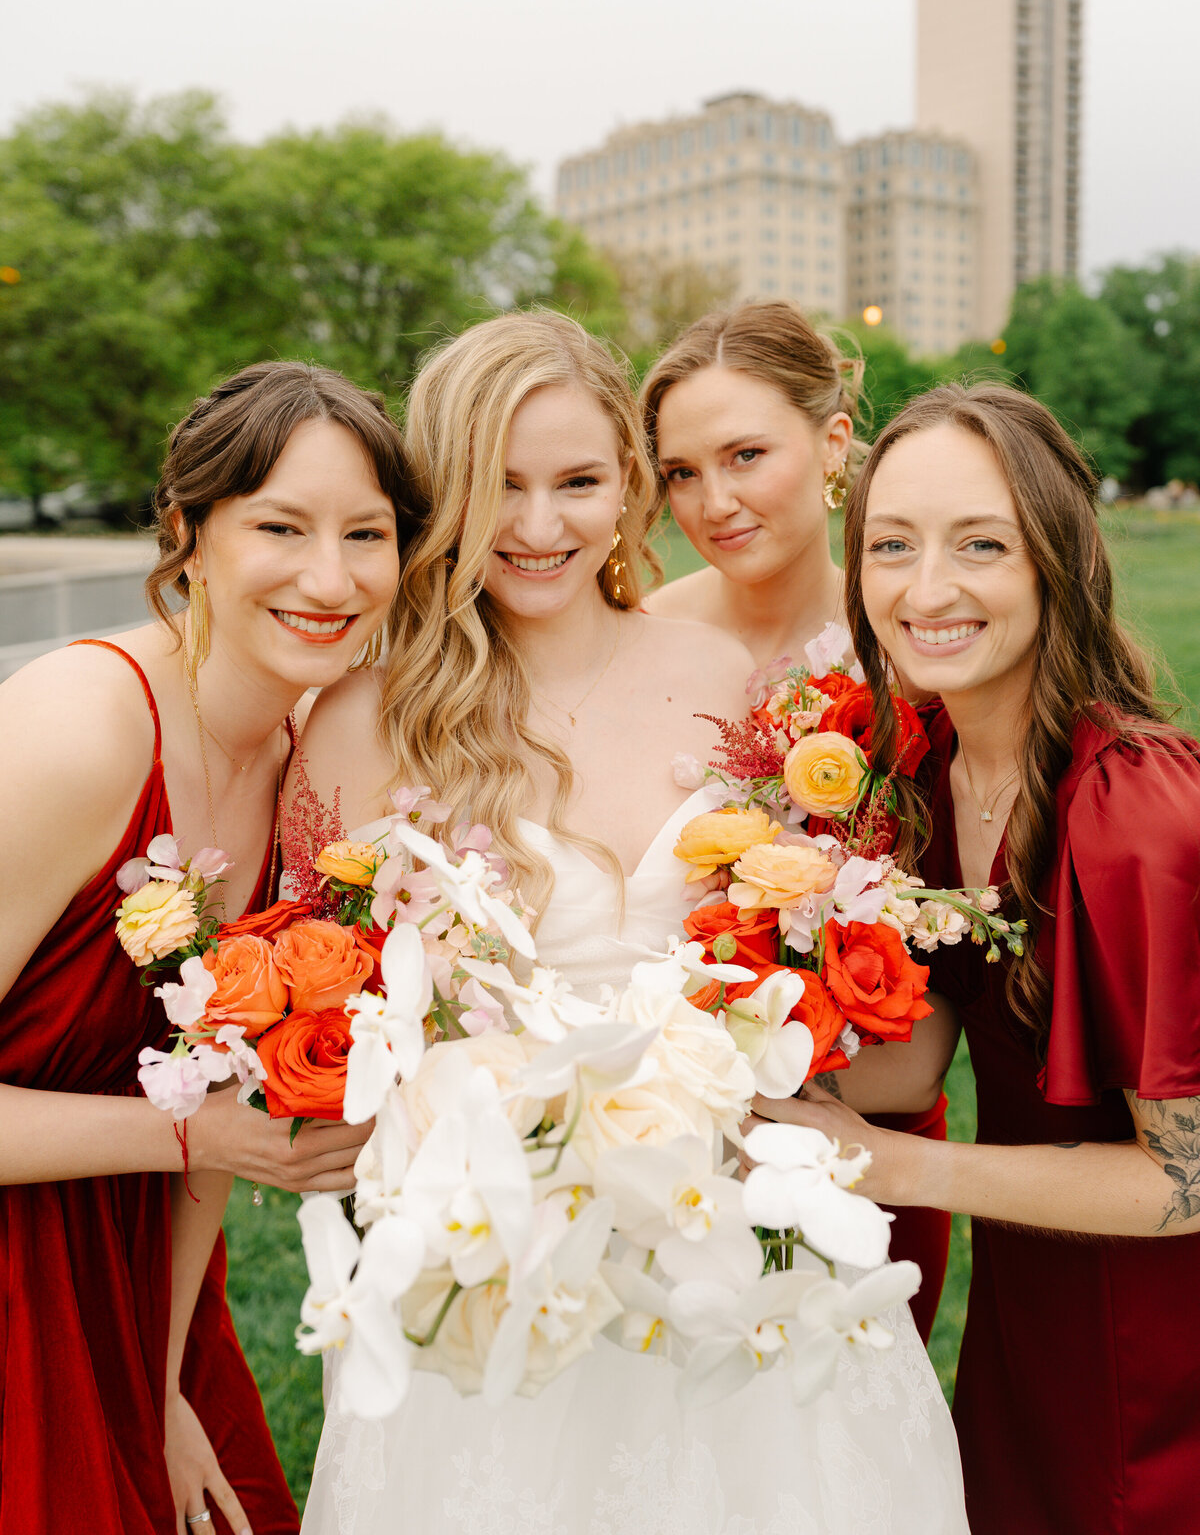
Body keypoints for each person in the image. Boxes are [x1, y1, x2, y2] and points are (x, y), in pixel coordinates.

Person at [294, 310, 969, 1534]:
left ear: (627, 487)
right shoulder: (366, 721)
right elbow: (330, 1018)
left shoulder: (723, 680)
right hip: (489, 1255)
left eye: (577, 482)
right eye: (498, 484)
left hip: (728, 1226)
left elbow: (796, 970)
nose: (538, 524)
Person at [762, 382, 1200, 1534]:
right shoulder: (931, 766)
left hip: (1159, 1365)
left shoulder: (1134, 815)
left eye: (980, 545)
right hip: (1029, 1321)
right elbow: (913, 1066)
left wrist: (898, 1168)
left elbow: (1190, 1179)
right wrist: (701, 1046)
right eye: (892, 545)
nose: (926, 590)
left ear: (1061, 558)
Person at [0, 362, 409, 1535]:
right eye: (280, 527)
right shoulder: (78, 731)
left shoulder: (310, 759)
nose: (330, 578)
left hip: (148, 1277)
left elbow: (229, 1068)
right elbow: (206, 1119)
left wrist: (164, 1371)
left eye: (366, 534)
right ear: (188, 534)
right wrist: (189, 1134)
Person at [639, 299, 951, 1343]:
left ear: (832, 442)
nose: (714, 501)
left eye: (745, 455)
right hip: (661, 1146)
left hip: (867, 1133)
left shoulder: (918, 654)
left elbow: (938, 1006)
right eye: (682, 473)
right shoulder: (640, 638)